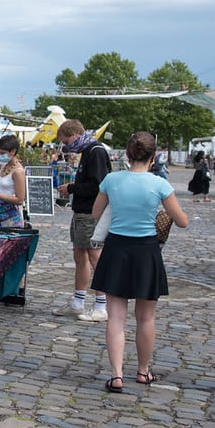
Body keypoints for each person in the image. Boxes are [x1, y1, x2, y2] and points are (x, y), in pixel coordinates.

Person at [89, 132, 188, 393]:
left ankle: (116, 374)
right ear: (154, 157)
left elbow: (95, 213)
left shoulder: (111, 180)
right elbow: (182, 221)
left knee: (116, 317)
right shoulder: (159, 185)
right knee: (146, 318)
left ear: (127, 154)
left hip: (116, 249)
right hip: (146, 251)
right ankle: (143, 371)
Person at [53, 119, 112, 322]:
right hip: (82, 211)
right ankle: (78, 303)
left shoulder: (95, 151)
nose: (67, 146)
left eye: (67, 141)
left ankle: (101, 305)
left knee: (95, 256)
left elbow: (98, 185)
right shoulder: (88, 151)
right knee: (80, 255)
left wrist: (71, 188)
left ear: (76, 136)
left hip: (91, 212)